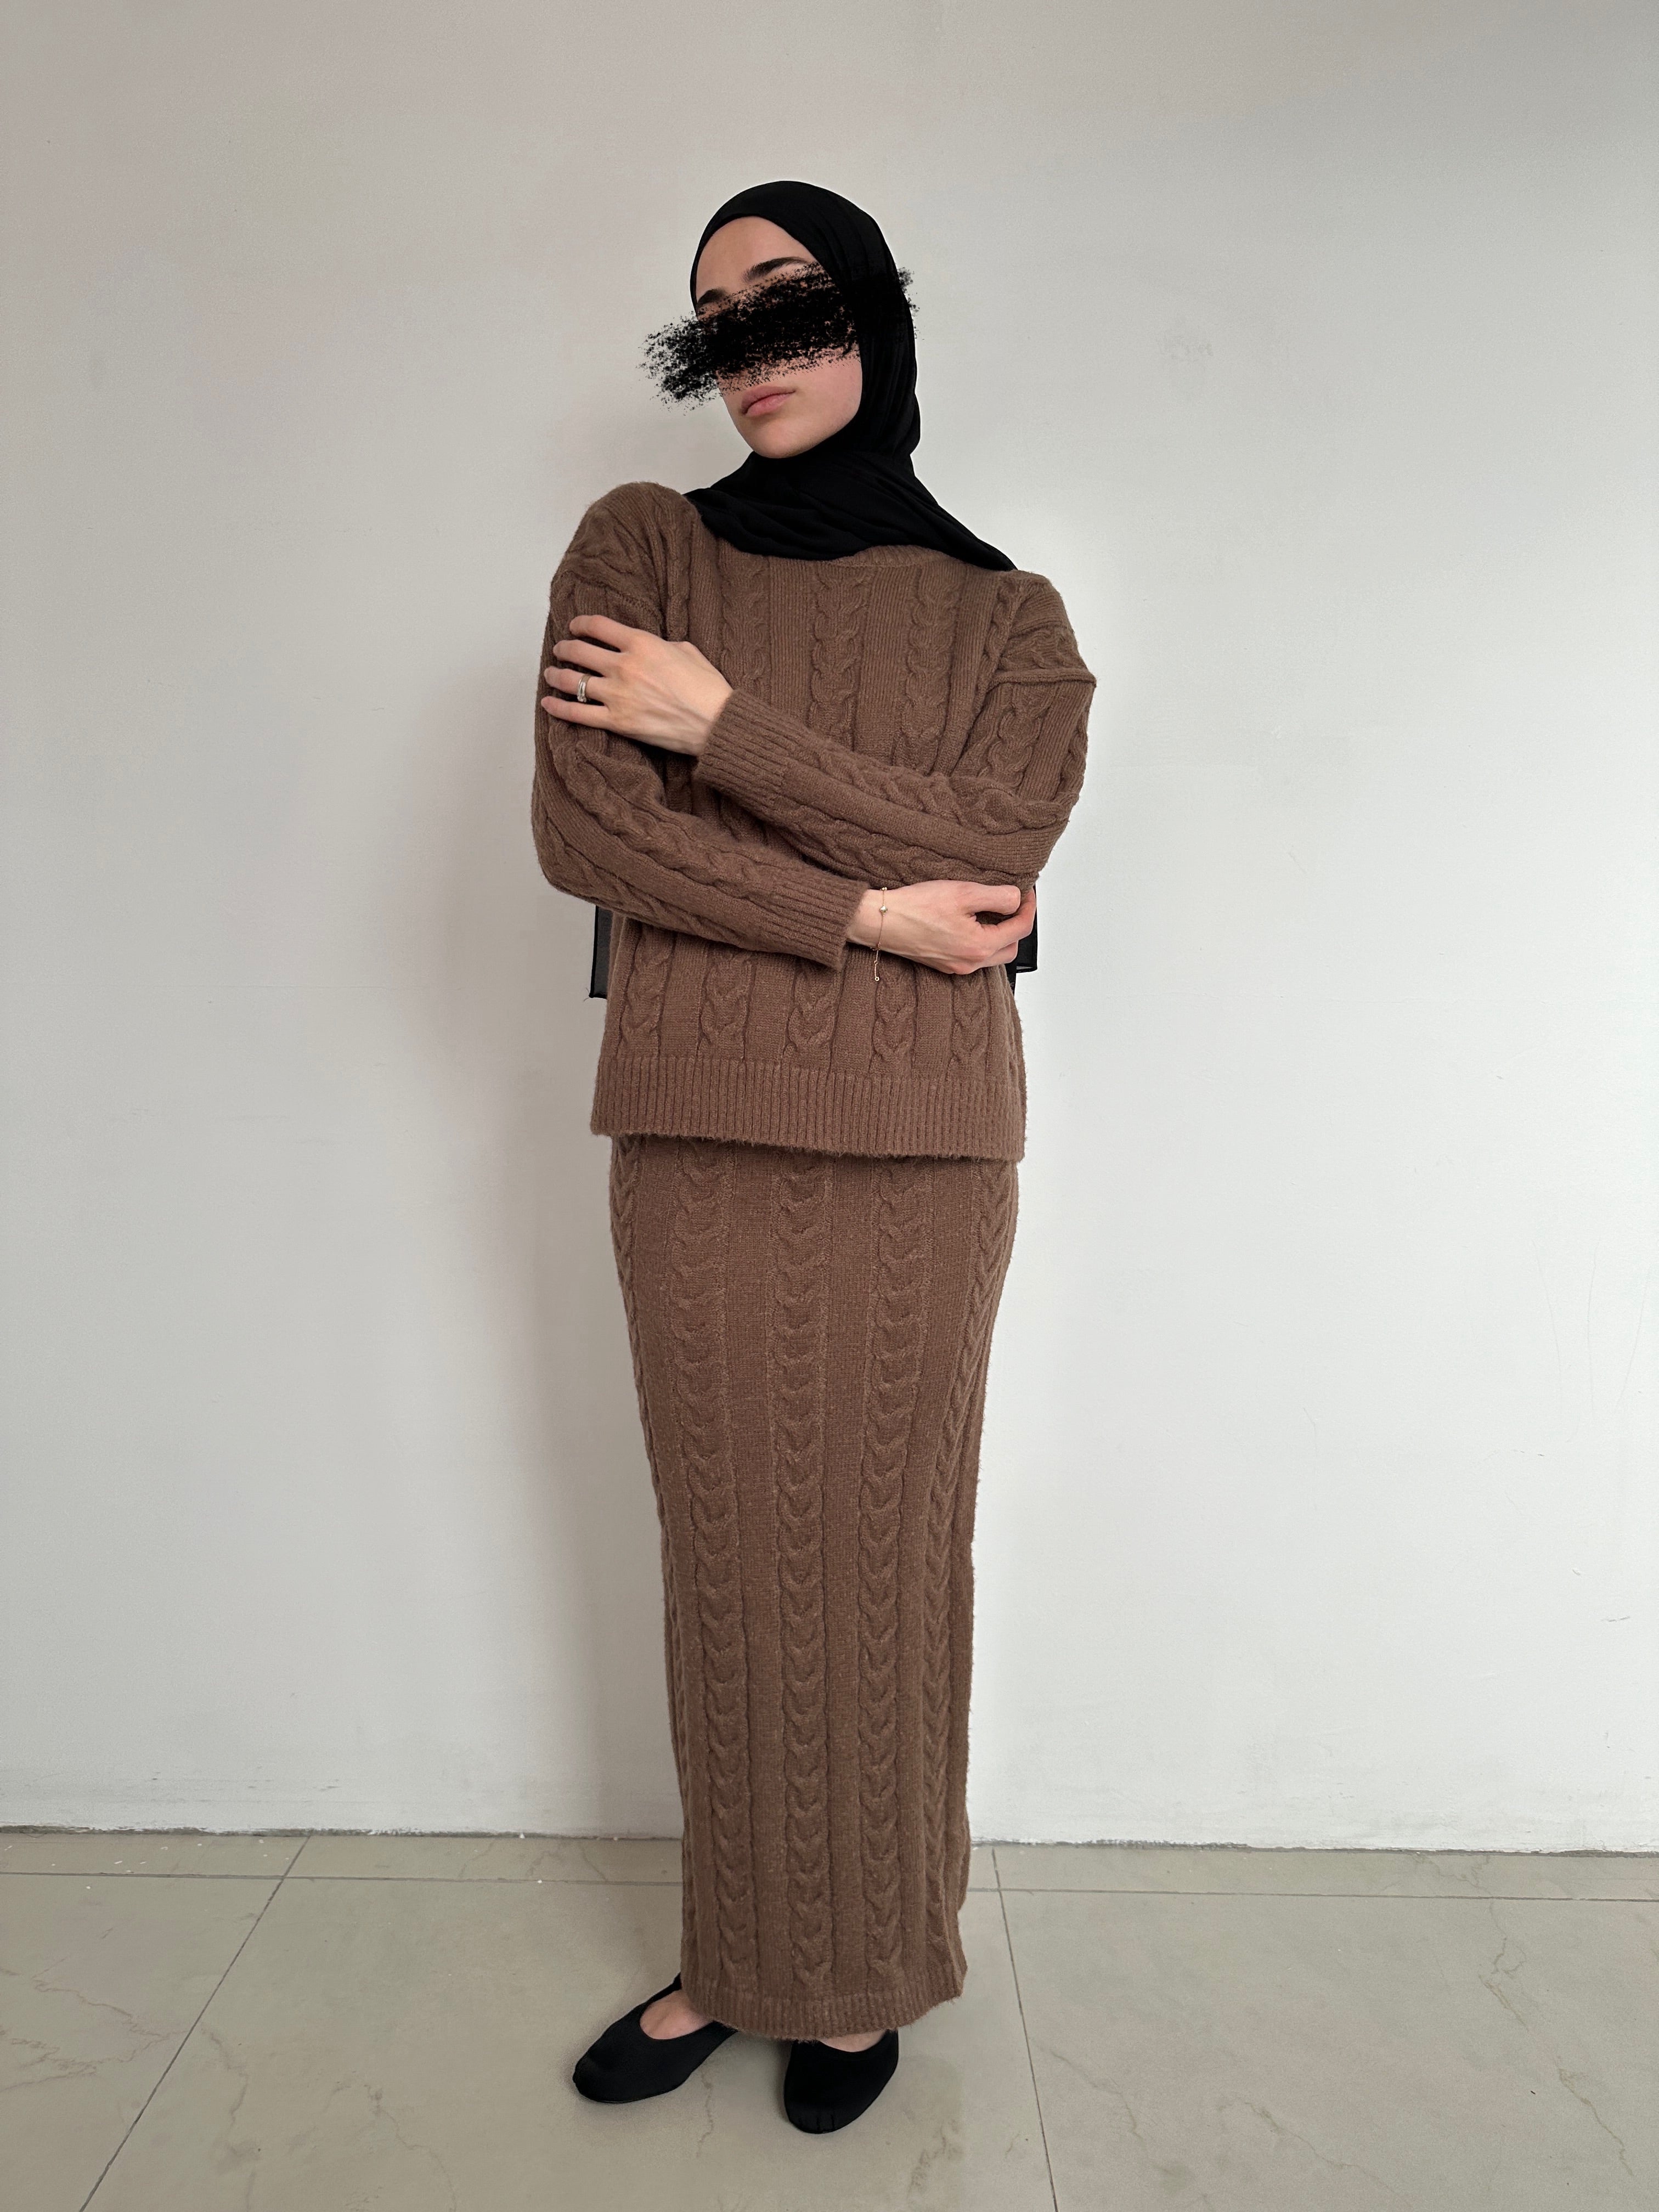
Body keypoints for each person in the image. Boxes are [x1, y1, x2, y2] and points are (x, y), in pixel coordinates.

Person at [531, 179, 1096, 2134]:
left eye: (784, 300)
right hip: (697, 1127)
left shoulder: (1014, 616)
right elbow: (590, 832)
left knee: (887, 1562)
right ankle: (737, 1958)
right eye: (713, 318)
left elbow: (999, 852)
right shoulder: (644, 544)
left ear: (873, 314)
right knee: (733, 1563)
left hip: (928, 1153)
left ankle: (862, 1974)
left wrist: (725, 731)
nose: (746, 349)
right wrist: (866, 911)